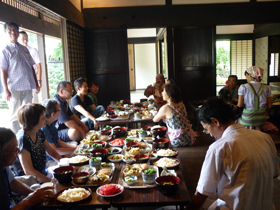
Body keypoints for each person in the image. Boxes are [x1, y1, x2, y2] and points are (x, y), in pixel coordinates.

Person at [187, 98, 278, 210]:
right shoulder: (265, 138)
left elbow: (202, 193)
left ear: (215, 121)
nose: (210, 134)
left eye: (206, 129)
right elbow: (274, 174)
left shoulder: (219, 147)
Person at [0, 127, 55, 210]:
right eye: (14, 149)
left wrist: (34, 194)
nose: (18, 151)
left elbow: (12, 182)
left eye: (17, 147)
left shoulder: (4, 165)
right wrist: (28, 201)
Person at [0, 22, 40, 134]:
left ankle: (27, 136)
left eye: (15, 29)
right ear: (6, 33)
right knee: (14, 115)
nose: (13, 32)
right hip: (14, 87)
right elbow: (3, 70)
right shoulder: (5, 50)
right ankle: (16, 141)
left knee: (27, 112)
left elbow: (31, 66)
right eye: (10, 30)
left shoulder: (24, 49)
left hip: (28, 85)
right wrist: (6, 89)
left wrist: (36, 83)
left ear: (18, 32)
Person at [13, 103, 61, 183]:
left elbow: (51, 151)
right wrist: (51, 182)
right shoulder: (23, 139)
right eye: (42, 117)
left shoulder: (39, 132)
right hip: (30, 181)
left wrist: (65, 163)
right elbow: (29, 171)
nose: (45, 119)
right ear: (33, 121)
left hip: (43, 174)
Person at [42, 99, 77, 167]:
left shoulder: (51, 124)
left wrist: (75, 147)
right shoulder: (44, 128)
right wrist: (75, 150)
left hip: (58, 156)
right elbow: (55, 151)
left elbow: (59, 142)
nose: (60, 110)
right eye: (59, 109)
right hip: (50, 161)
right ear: (53, 114)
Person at [18, 31, 42, 103]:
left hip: (32, 80)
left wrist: (39, 80)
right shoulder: (16, 51)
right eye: (23, 39)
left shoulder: (33, 50)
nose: (25, 41)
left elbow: (38, 66)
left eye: (26, 39)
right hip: (19, 81)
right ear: (18, 39)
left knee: (32, 102)